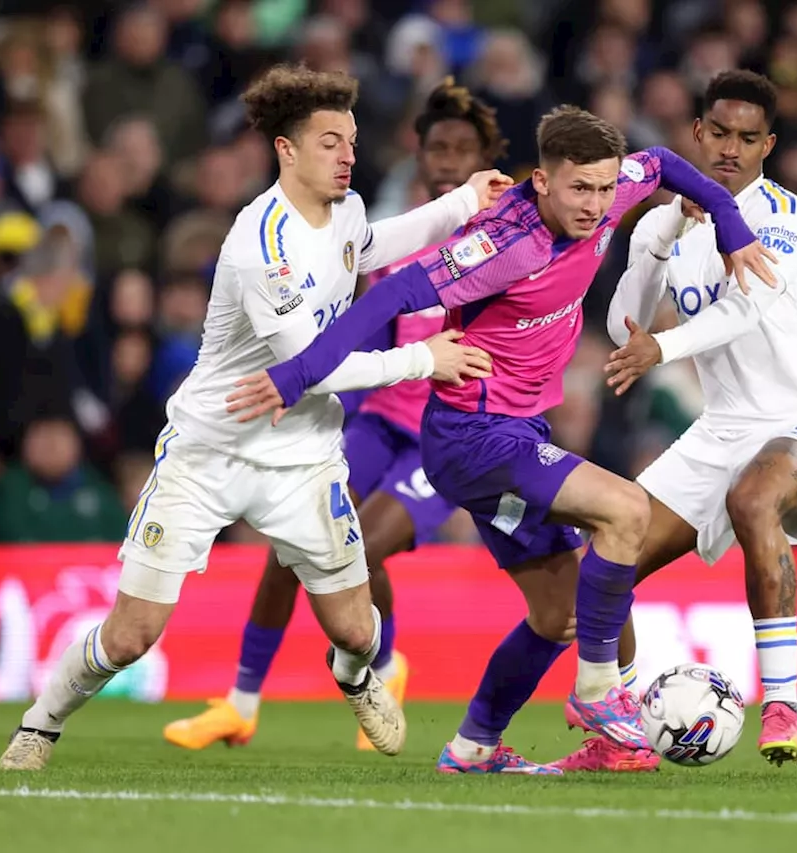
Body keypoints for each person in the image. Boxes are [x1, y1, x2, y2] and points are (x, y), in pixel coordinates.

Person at [227, 106, 776, 774]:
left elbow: (662, 162)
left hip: (517, 430)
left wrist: (730, 222)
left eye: (605, 189)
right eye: (579, 189)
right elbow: (392, 294)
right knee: (627, 510)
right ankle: (601, 691)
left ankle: (473, 747)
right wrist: (296, 375)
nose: (596, 204)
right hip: (471, 435)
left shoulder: (614, 189)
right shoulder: (501, 244)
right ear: (542, 181)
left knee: (557, 615)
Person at [0, 65, 510, 771]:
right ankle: (41, 722)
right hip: (211, 452)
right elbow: (314, 365)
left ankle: (355, 675)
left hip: (302, 456)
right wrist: (422, 361)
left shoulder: (347, 210)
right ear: (286, 150)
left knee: (359, 631)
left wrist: (461, 201)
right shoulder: (261, 244)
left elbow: (376, 243)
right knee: (131, 634)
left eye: (352, 140)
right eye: (331, 141)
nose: (348, 154)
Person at [161, 78, 509, 753]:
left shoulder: (506, 235)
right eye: (437, 147)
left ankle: (383, 669)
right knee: (293, 542)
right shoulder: (388, 233)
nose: (446, 161)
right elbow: (364, 329)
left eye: (462, 150)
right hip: (382, 415)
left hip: (452, 430)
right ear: (419, 153)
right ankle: (239, 702)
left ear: (484, 158)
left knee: (358, 545)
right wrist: (312, 390)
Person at [554, 70, 797, 772]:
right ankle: (622, 734)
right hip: (723, 428)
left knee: (754, 499)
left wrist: (662, 347)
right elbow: (619, 319)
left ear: (767, 145)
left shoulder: (787, 218)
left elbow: (744, 305)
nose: (730, 149)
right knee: (602, 561)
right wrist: (656, 238)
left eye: (749, 138)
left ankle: (781, 701)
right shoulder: (666, 222)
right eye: (719, 133)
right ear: (697, 134)